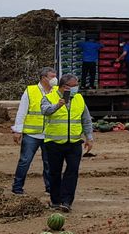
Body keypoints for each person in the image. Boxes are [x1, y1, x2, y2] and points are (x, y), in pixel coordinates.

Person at [40, 74, 94, 212]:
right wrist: (57, 105)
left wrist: (89, 137)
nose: (76, 89)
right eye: (73, 86)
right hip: (54, 143)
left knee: (72, 171)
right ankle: (56, 200)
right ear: (64, 87)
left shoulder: (79, 98)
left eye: (77, 86)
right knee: (54, 172)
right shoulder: (49, 97)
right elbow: (45, 111)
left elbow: (86, 119)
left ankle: (67, 201)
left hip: (74, 143)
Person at [10, 67, 56, 196]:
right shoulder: (31, 91)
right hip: (32, 134)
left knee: (49, 163)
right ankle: (17, 187)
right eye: (52, 76)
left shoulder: (56, 91)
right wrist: (17, 130)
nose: (55, 79)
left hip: (49, 134)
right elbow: (22, 111)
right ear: (43, 78)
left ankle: (50, 188)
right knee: (25, 161)